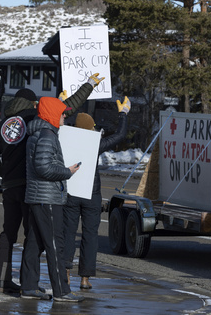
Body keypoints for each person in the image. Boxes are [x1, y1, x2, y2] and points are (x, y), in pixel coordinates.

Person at [0, 73, 104, 294]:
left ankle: (1, 280)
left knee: (7, 234)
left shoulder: (3, 125)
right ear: (31, 104)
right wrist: (88, 85)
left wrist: (6, 174)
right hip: (30, 186)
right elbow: (67, 106)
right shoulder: (32, 116)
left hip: (9, 187)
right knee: (33, 237)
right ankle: (28, 283)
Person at [64, 96, 131, 289]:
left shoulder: (66, 138)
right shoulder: (94, 143)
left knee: (68, 232)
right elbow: (119, 136)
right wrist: (123, 114)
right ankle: (85, 278)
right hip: (92, 193)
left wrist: (63, 105)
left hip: (71, 191)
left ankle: (66, 271)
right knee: (90, 235)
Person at [21, 96, 83, 302]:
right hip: (47, 197)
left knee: (34, 242)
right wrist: (67, 171)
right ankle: (61, 291)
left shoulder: (37, 132)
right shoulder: (47, 135)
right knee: (55, 244)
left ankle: (29, 286)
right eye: (62, 112)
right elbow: (44, 167)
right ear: (53, 114)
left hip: (36, 196)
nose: (65, 115)